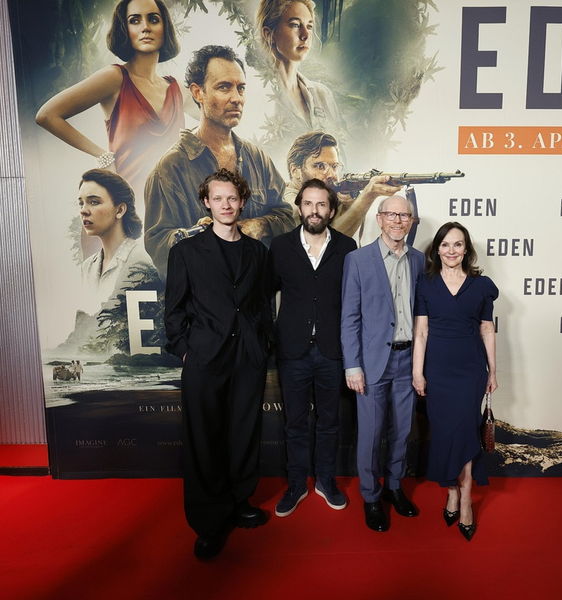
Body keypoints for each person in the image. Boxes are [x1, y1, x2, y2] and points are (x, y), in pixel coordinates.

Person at [164, 168, 272, 560]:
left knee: (243, 432)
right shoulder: (186, 252)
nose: (226, 205)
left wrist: (262, 343)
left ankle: (240, 500)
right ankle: (209, 520)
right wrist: (185, 350)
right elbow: (173, 311)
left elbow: (260, 305)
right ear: (207, 203)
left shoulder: (258, 253)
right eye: (218, 198)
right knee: (204, 439)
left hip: (248, 357)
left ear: (242, 202)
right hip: (205, 358)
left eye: (233, 198)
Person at [144, 45, 294, 278]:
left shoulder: (257, 158)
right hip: (203, 307)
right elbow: (158, 249)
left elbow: (288, 217)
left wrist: (259, 225)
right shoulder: (170, 168)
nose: (236, 99)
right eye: (224, 87)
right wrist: (198, 235)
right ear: (197, 93)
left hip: (257, 303)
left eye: (241, 88)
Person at [36, 0, 184, 212]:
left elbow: (214, 117)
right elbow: (47, 115)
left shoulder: (176, 88)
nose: (145, 27)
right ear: (125, 30)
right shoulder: (115, 77)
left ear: (165, 28)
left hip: (176, 207)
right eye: (135, 20)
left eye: (153, 19)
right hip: (131, 206)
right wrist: (101, 155)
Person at [268, 178, 357, 517]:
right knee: (295, 423)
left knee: (329, 421)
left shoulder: (348, 248)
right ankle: (295, 484)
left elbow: (354, 301)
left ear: (331, 210)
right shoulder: (280, 246)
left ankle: (325, 480)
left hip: (333, 351)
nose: (314, 210)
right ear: (300, 207)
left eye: (321, 205)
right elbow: (266, 295)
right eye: (308, 204)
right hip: (292, 351)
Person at [340, 195, 425, 532]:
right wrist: (352, 365)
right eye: (392, 214)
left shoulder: (418, 261)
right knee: (371, 436)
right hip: (373, 363)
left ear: (410, 221)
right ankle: (371, 496)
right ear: (379, 218)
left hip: (407, 361)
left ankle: (393, 487)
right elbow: (349, 318)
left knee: (402, 432)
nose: (398, 220)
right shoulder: (358, 260)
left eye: (405, 215)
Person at [412, 222, 498, 542]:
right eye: (445, 245)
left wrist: (492, 371)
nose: (451, 251)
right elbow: (421, 332)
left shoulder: (482, 285)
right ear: (437, 249)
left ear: (466, 249)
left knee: (464, 434)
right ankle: (451, 490)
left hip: (470, 371)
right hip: (437, 371)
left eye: (458, 245)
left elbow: (487, 330)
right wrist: (417, 372)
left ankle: (464, 500)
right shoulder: (426, 283)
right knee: (446, 435)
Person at [256, 0, 347, 145]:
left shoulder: (323, 94)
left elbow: (340, 150)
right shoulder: (258, 97)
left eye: (309, 26)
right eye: (295, 25)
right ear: (269, 34)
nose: (305, 35)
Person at [285, 131, 401, 238]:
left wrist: (348, 206)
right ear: (295, 170)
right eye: (320, 166)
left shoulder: (328, 196)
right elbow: (325, 242)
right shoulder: (289, 206)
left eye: (334, 166)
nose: (332, 175)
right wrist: (367, 197)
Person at [77, 169, 155, 312]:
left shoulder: (141, 261)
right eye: (81, 203)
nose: (83, 211)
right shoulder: (87, 267)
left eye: (94, 202)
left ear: (120, 210)